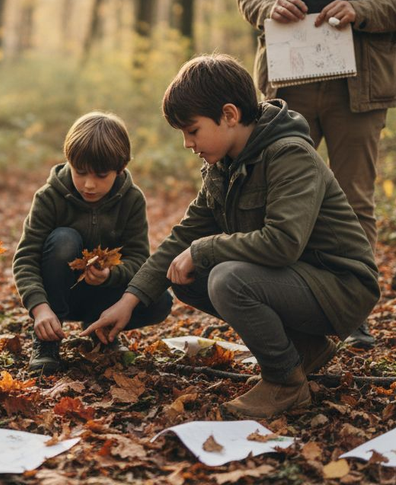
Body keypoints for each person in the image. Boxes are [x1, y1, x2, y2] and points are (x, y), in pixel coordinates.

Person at [85, 55, 380, 418]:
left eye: (192, 131)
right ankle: (305, 349)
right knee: (188, 277)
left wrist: (204, 249)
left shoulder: (290, 155)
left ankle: (285, 383)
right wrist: (129, 300)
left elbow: (283, 242)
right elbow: (184, 236)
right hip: (298, 280)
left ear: (229, 115)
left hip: (341, 286)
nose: (187, 144)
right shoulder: (223, 165)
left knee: (226, 277)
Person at [237, 0, 396, 347]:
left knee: (353, 200)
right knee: (279, 195)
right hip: (289, 83)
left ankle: (353, 309)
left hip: (359, 86)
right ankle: (284, 304)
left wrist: (362, 10)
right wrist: (271, 6)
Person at [14, 112, 172, 372]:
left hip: (105, 297)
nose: (89, 185)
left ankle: (101, 330)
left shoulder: (132, 199)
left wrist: (111, 274)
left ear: (119, 168)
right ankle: (47, 341)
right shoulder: (48, 197)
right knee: (64, 239)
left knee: (160, 300)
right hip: (60, 294)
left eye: (100, 175)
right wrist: (39, 308)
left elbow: (139, 259)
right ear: (69, 161)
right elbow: (25, 257)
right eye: (80, 172)